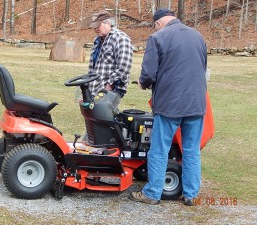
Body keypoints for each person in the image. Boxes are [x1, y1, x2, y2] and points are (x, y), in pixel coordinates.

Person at [129, 8, 207, 206]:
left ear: (158, 23)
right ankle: (191, 195)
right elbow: (202, 66)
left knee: (159, 149)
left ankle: (153, 193)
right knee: (191, 150)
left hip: (170, 103)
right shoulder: (198, 36)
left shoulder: (158, 37)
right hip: (196, 102)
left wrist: (143, 83)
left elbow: (148, 73)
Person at [87, 10, 133, 106]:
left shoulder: (120, 38)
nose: (95, 29)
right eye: (94, 27)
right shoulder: (97, 40)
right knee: (92, 118)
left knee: (104, 118)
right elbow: (93, 65)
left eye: (98, 26)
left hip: (112, 89)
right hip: (95, 88)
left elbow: (124, 67)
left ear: (108, 23)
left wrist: (109, 86)